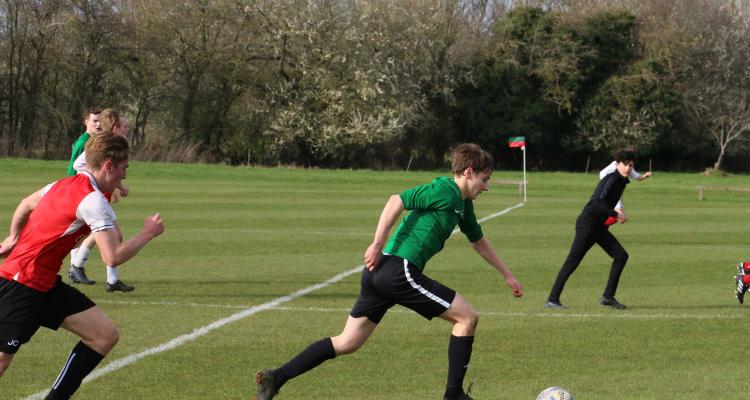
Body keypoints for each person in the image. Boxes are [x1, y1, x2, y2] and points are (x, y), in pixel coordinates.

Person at [255, 143, 523, 400]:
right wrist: (376, 244)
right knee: (467, 317)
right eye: (484, 179)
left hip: (379, 274)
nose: (486, 187)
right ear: (468, 173)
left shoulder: (463, 204)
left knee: (347, 342)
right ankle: (453, 395)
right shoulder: (446, 191)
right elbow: (397, 200)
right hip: (397, 269)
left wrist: (507, 275)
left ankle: (276, 378)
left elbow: (478, 240)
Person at [0, 132, 164, 399]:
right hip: (21, 285)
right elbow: (112, 257)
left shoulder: (63, 184)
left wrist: (13, 237)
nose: (124, 176)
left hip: (45, 284)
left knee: (104, 335)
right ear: (109, 165)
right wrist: (147, 233)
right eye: (124, 169)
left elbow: (25, 205)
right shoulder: (93, 202)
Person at [545, 148, 637, 310]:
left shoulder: (622, 180)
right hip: (587, 225)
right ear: (617, 165)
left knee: (621, 256)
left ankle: (608, 296)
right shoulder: (611, 178)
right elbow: (596, 203)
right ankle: (552, 299)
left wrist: (616, 213)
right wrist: (615, 215)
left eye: (631, 165)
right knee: (572, 261)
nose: (629, 168)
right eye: (625, 164)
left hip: (599, 227)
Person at [68, 109, 134, 292]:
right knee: (109, 235)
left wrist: (117, 187)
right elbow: (77, 165)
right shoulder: (101, 144)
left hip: (99, 195)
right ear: (115, 127)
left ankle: (109, 280)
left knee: (109, 235)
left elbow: (111, 170)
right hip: (91, 197)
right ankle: (78, 268)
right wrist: (91, 183)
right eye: (124, 125)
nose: (127, 129)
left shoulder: (115, 144)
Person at [598, 157, 651, 222]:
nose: (628, 167)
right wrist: (607, 183)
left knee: (620, 216)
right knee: (620, 215)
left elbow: (638, 177)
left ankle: (600, 224)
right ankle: (600, 224)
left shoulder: (628, 167)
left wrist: (645, 176)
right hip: (610, 189)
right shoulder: (617, 164)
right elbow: (602, 173)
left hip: (614, 189)